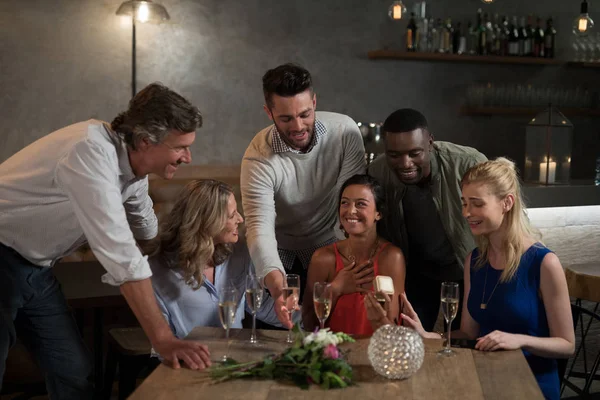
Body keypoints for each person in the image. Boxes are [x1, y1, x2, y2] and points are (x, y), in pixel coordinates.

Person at [0, 83, 211, 398]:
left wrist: (177, 253)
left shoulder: (132, 168)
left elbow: (144, 223)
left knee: (74, 370)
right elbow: (122, 256)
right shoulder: (89, 152)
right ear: (144, 140)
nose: (188, 157)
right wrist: (163, 340)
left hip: (36, 269)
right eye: (180, 147)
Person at [401, 158, 575, 400]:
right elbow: (469, 334)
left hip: (530, 387)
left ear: (507, 202)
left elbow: (567, 344)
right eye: (464, 203)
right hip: (483, 380)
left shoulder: (544, 262)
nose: (466, 213)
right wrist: (432, 336)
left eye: (476, 204)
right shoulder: (474, 261)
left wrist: (519, 340)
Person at [241, 63, 366, 328]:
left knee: (332, 333)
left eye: (305, 114)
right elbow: (259, 227)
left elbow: (350, 207)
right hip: (277, 250)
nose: (298, 126)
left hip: (330, 244)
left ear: (314, 102)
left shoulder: (345, 132)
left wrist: (346, 264)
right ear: (269, 112)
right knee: (274, 334)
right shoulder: (258, 156)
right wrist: (277, 287)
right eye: (286, 118)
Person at [368, 108, 487, 331]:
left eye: (415, 153)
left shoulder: (468, 163)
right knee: (410, 340)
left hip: (469, 272)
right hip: (417, 274)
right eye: (394, 155)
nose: (405, 163)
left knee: (465, 344)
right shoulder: (377, 172)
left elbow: (507, 219)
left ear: (430, 143)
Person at [149, 179, 290, 340]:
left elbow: (260, 305)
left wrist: (308, 319)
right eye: (232, 215)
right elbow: (161, 341)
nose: (240, 219)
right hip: (189, 360)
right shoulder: (157, 269)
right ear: (209, 222)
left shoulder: (239, 253)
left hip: (234, 356)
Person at [302, 174, 405, 335]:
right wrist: (335, 289)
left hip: (375, 353)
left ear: (379, 213)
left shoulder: (391, 257)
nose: (351, 211)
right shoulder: (323, 258)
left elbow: (393, 327)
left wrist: (380, 312)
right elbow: (308, 323)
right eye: (345, 203)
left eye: (361, 204)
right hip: (332, 355)